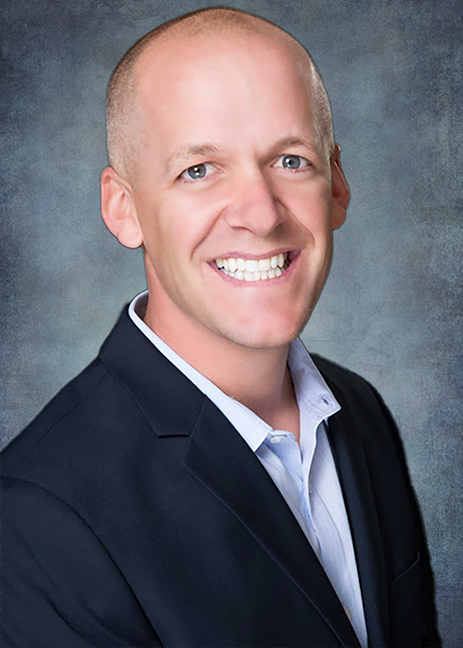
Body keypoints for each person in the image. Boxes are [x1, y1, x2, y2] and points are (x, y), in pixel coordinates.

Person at [1, 7, 440, 648]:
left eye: (291, 161)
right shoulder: (37, 518)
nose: (261, 215)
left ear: (337, 183)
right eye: (198, 171)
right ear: (124, 210)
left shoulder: (361, 411)